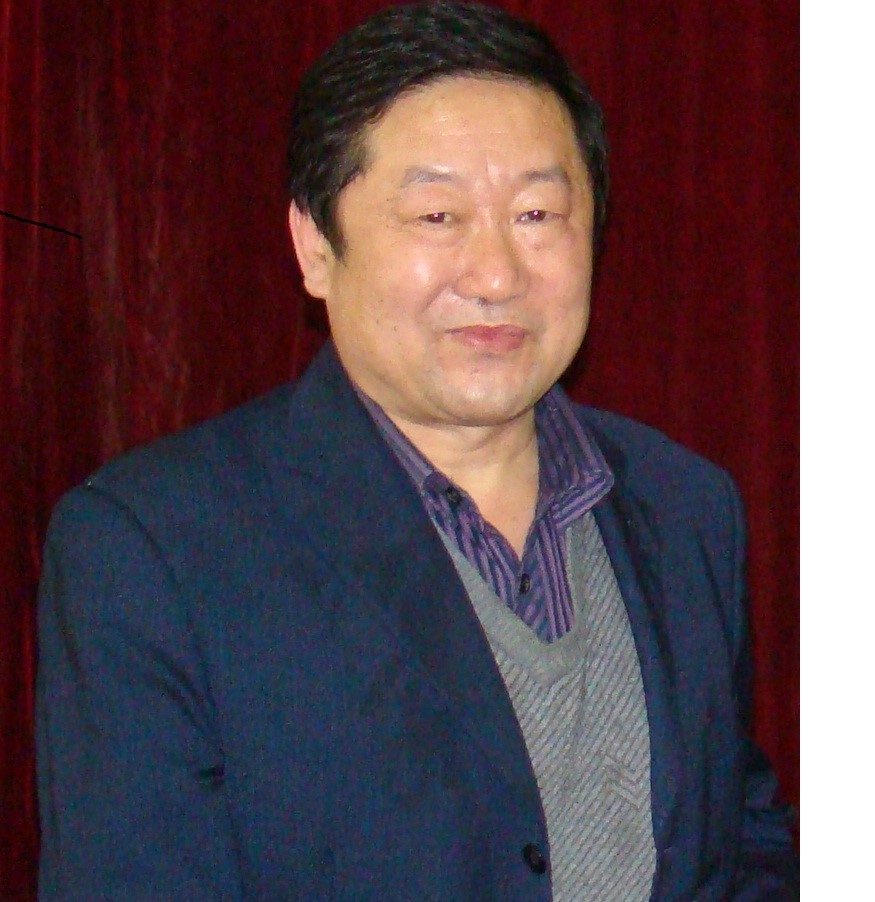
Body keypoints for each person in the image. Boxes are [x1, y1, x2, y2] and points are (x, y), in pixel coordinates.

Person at [36, 2, 797, 899]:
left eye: (538, 213)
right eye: (437, 215)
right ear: (315, 246)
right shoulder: (154, 550)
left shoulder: (687, 506)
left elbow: (741, 846)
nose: (496, 274)